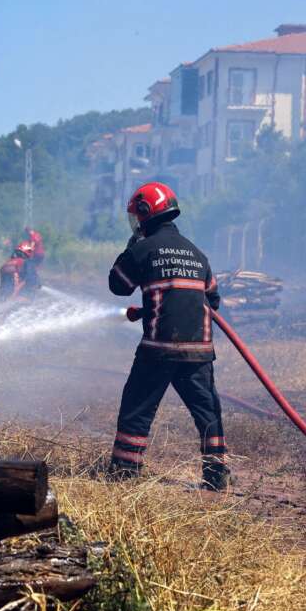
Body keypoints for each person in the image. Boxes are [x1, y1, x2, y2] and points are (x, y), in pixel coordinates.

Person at [106, 182, 229, 491]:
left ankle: (124, 471)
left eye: (137, 218)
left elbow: (118, 285)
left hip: (158, 350)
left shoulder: (143, 249)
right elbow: (211, 301)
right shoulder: (197, 254)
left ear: (147, 214)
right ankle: (216, 476)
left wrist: (131, 245)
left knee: (137, 407)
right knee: (207, 412)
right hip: (198, 351)